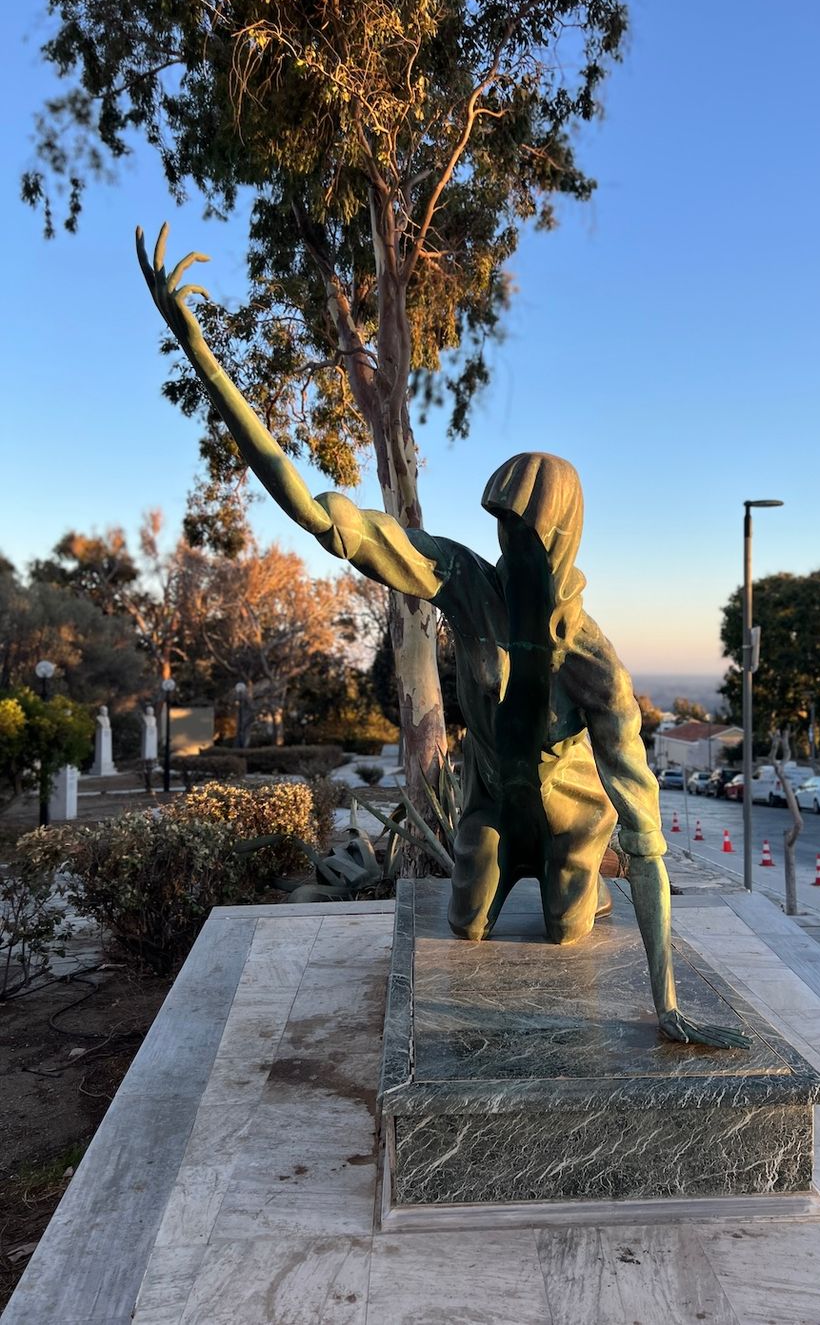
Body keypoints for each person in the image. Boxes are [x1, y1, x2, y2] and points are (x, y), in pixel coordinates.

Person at [137, 224, 749, 1049]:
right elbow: (325, 517)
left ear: (561, 542)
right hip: (490, 805)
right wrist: (202, 355)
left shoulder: (594, 664)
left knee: (567, 934)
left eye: (528, 536)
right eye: (504, 531)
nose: (511, 548)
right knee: (464, 923)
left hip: (571, 821)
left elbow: (645, 838)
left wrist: (666, 999)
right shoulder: (464, 582)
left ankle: (578, 886)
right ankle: (510, 869)